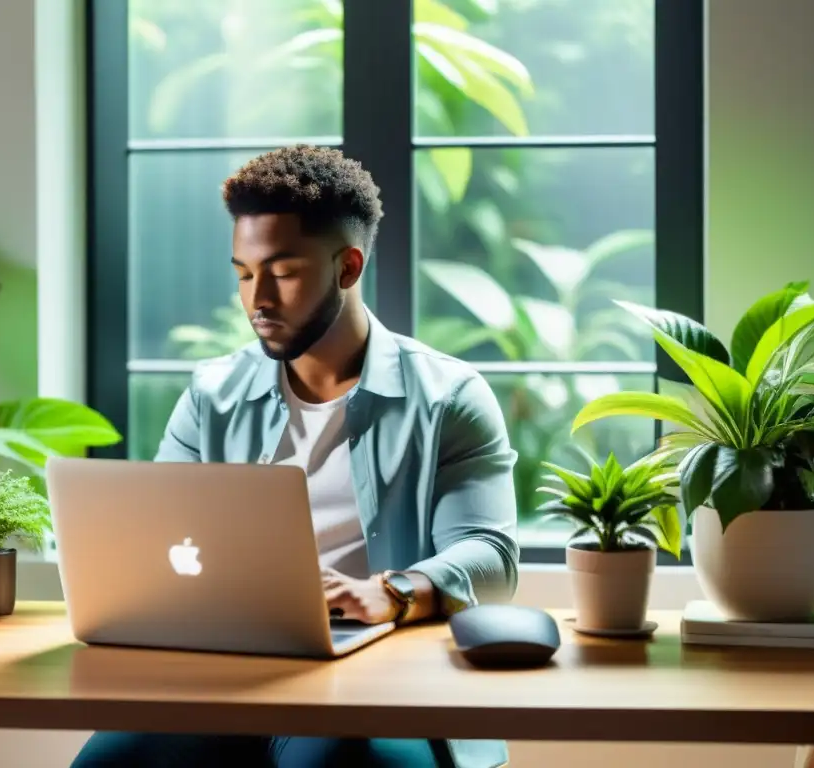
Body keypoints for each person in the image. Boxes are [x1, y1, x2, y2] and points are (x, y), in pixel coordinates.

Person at [72, 146, 519, 768]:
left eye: (282, 273)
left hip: (381, 675)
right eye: (243, 273)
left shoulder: (450, 397)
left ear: (347, 267)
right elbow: (156, 541)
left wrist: (390, 592)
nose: (257, 299)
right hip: (229, 672)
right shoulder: (212, 395)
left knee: (335, 760)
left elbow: (491, 557)